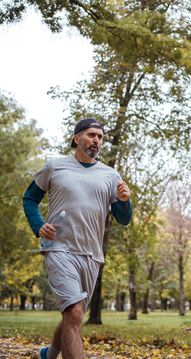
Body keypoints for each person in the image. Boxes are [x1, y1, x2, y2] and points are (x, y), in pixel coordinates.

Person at [23, 118, 132, 359]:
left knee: (75, 312)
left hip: (91, 255)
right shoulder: (55, 167)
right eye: (91, 135)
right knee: (73, 312)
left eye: (100, 137)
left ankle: (49, 354)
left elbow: (123, 218)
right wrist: (39, 225)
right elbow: (29, 199)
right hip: (58, 248)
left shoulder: (111, 175)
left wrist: (125, 201)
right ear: (76, 138)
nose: (96, 140)